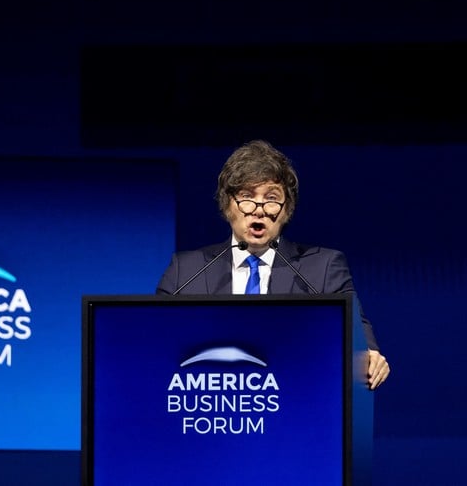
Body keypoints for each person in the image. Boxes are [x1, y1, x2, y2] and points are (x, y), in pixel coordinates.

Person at [156, 139, 390, 390]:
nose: (259, 209)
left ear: (286, 210)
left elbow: (356, 329)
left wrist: (370, 354)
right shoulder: (186, 270)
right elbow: (154, 337)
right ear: (226, 206)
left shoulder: (323, 268)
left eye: (271, 198)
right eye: (246, 196)